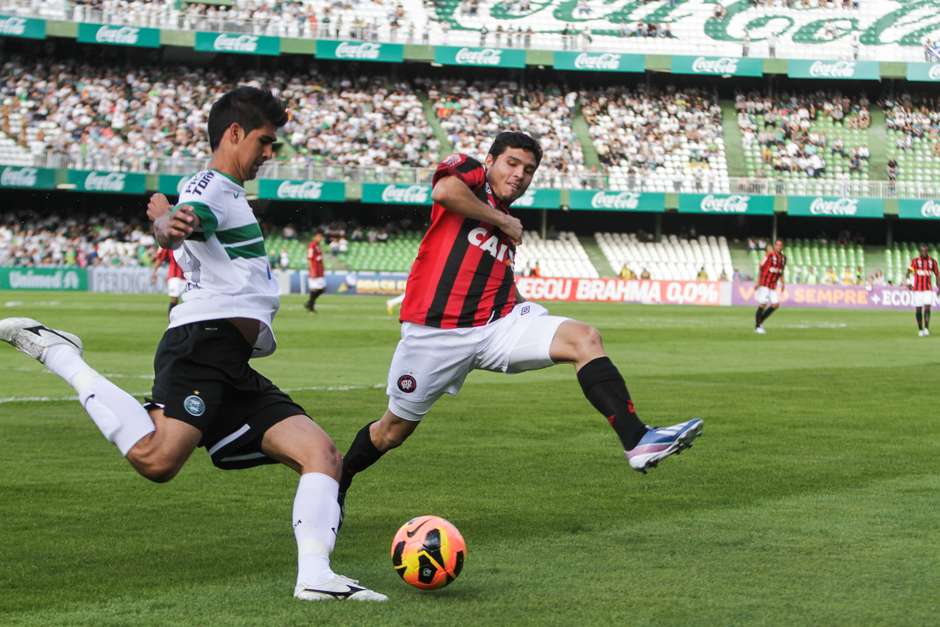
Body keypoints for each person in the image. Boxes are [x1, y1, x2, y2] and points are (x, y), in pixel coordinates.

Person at [0, 87, 386, 603]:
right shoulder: (211, 185)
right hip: (202, 343)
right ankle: (59, 354)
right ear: (234, 133)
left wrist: (166, 213)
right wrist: (167, 221)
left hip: (231, 359)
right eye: (265, 141)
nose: (270, 153)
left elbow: (183, 216)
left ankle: (316, 577)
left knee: (322, 455)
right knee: (158, 459)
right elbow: (183, 220)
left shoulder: (227, 192)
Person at [337, 132, 703, 517]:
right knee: (391, 432)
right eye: (512, 163)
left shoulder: (506, 224)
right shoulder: (471, 176)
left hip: (497, 327)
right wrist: (503, 221)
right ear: (490, 161)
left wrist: (519, 299)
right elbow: (443, 192)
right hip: (436, 334)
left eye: (528, 170)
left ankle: (637, 439)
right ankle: (339, 478)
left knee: (584, 338)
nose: (519, 174)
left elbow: (496, 278)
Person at [906, 244, 940, 337]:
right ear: (920, 252)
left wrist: (939, 287)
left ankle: (926, 328)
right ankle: (920, 329)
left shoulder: (932, 262)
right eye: (922, 251)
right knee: (918, 309)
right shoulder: (915, 261)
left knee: (927, 308)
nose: (924, 253)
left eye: (926, 251)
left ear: (928, 251)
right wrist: (908, 283)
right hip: (917, 290)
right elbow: (908, 273)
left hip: (928, 289)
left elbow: (937, 275)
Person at [754, 240, 786, 334]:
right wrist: (758, 282)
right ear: (775, 246)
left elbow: (781, 272)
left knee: (776, 304)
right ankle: (758, 327)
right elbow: (761, 268)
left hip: (773, 285)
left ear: (782, 247)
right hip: (764, 283)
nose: (778, 247)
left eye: (780, 245)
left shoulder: (783, 258)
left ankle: (759, 322)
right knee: (763, 304)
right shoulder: (769, 256)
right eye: (777, 245)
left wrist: (783, 283)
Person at [151, 245, 185, 316]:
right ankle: (171, 320)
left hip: (189, 277)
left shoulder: (190, 242)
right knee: (174, 299)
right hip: (174, 276)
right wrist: (154, 272)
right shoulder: (171, 243)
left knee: (188, 300)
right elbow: (160, 258)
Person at [305, 230, 325, 313]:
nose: (320, 238)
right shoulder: (312, 245)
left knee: (321, 289)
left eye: (321, 237)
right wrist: (311, 270)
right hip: (314, 270)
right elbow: (309, 258)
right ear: (314, 237)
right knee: (315, 289)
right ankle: (311, 306)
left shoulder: (318, 246)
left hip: (319, 271)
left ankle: (309, 303)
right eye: (319, 237)